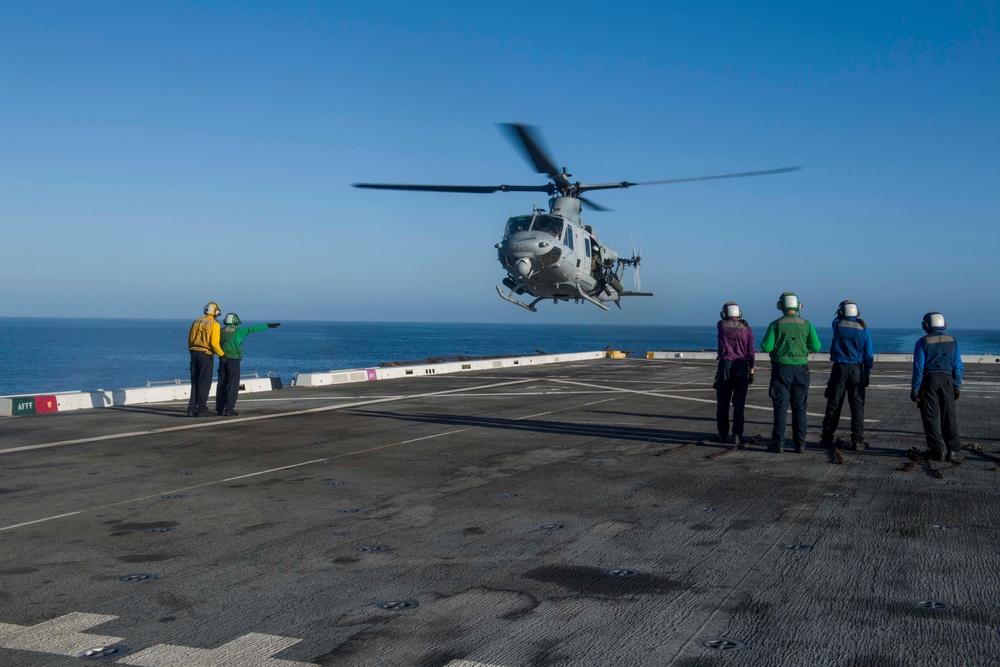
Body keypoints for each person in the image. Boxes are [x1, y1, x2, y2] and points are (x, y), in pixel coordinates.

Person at [760, 292, 822, 453]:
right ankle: (800, 444)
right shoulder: (807, 324)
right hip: (801, 370)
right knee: (800, 408)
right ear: (798, 306)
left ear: (780, 306)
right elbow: (816, 346)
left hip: (781, 370)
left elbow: (766, 347)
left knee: (780, 408)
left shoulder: (775, 324)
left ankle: (778, 443)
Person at [821, 300, 874, 451]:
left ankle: (827, 437)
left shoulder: (837, 325)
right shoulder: (864, 330)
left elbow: (836, 320)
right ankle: (857, 441)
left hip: (839, 369)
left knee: (834, 404)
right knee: (857, 407)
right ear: (857, 313)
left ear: (841, 313)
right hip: (857, 370)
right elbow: (868, 354)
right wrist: (867, 372)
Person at [911, 312, 963, 462]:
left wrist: (915, 389)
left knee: (930, 417)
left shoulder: (922, 342)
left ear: (925, 325)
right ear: (943, 325)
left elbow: (919, 368)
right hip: (947, 381)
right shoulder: (953, 341)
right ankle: (953, 451)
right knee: (949, 416)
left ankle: (936, 451)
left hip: (929, 381)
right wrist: (956, 385)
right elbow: (958, 367)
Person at [216, 313, 281, 416]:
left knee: (221, 384)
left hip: (222, 360)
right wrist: (268, 325)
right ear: (235, 321)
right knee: (232, 385)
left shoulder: (220, 331)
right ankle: (229, 408)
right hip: (233, 361)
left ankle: (219, 408)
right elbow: (252, 329)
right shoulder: (238, 331)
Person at [713, 301, 755, 444]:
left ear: (725, 314)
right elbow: (751, 352)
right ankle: (737, 434)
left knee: (723, 401)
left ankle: (723, 433)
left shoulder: (721, 325)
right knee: (739, 403)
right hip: (742, 365)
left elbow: (725, 320)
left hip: (725, 365)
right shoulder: (747, 328)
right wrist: (752, 369)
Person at [188, 302, 225, 417]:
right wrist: (222, 355)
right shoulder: (214, 324)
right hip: (206, 354)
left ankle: (191, 409)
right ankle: (202, 409)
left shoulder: (196, 321)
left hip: (194, 353)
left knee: (195, 382)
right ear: (215, 312)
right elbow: (214, 343)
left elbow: (190, 339)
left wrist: (191, 350)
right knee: (204, 383)